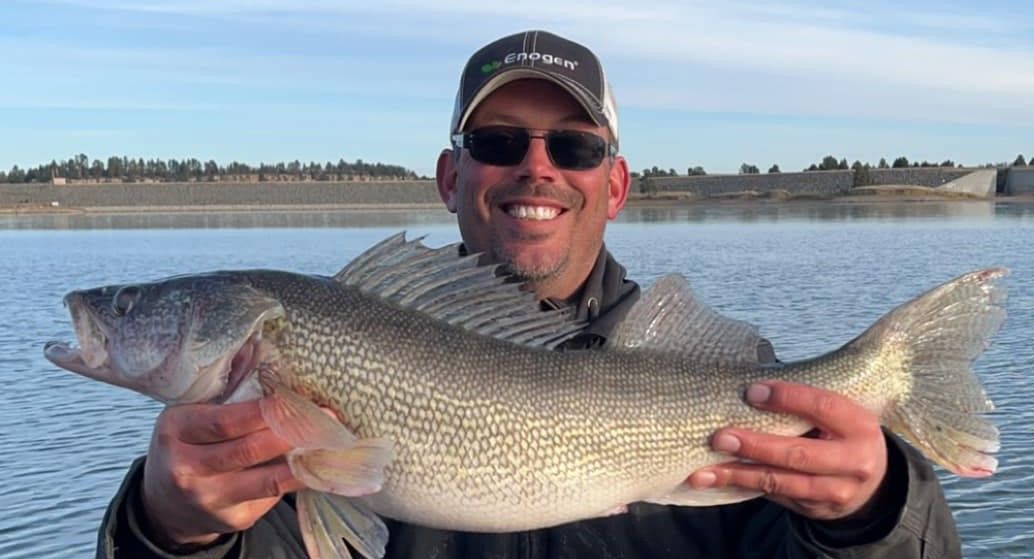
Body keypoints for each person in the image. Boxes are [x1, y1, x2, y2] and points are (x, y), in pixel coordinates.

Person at [96, 30, 963, 558]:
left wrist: (873, 511)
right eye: (499, 140)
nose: (536, 168)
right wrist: (172, 532)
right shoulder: (251, 421)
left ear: (616, 185)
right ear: (450, 174)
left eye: (574, 148)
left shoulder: (734, 383)